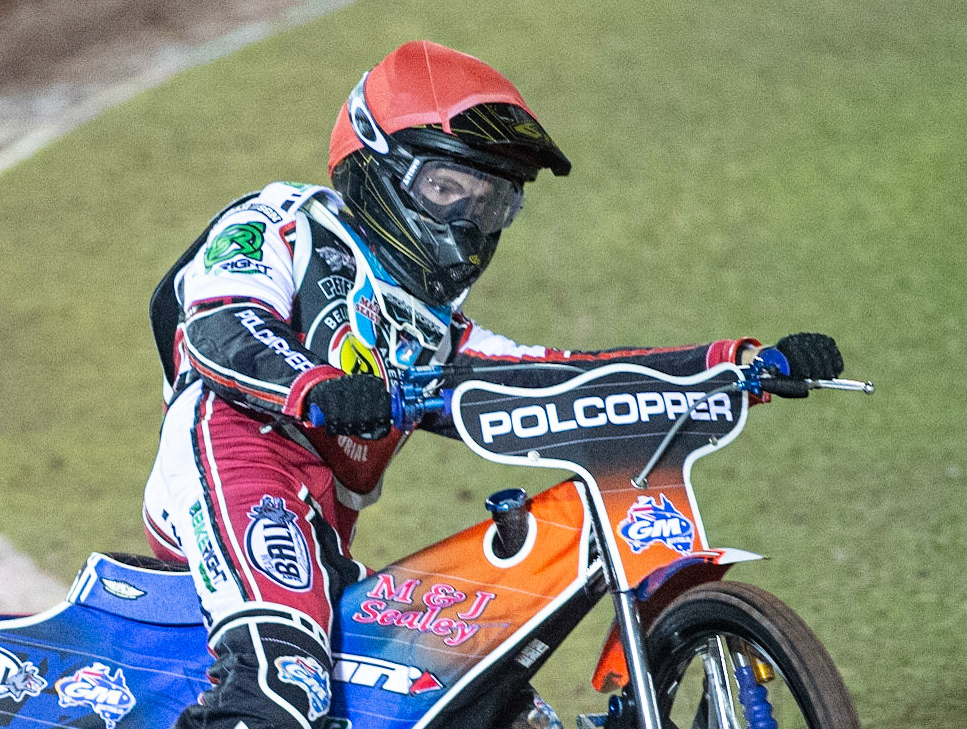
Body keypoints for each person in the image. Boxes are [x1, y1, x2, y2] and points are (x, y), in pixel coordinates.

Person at [143, 40, 844, 729]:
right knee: (281, 683)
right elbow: (220, 328)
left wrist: (736, 365)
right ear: (374, 164)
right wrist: (318, 387)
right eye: (447, 190)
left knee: (494, 708)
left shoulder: (438, 329)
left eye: (490, 202)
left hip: (320, 525)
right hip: (232, 453)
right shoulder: (283, 223)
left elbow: (559, 374)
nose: (467, 223)